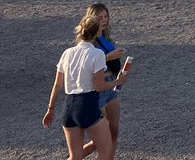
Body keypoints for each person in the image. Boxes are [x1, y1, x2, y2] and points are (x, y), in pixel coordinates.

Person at [43, 13, 130, 160]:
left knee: (75, 156)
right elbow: (99, 86)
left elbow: (57, 85)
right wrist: (118, 81)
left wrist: (50, 109)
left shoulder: (67, 53)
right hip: (87, 105)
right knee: (106, 149)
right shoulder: (97, 54)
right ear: (96, 32)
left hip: (68, 108)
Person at [81, 4, 124, 159]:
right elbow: (86, 67)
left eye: (106, 17)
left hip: (112, 86)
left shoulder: (106, 38)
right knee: (100, 138)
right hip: (97, 89)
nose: (104, 21)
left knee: (114, 132)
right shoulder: (88, 42)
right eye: (99, 18)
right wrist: (107, 57)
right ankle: (74, 156)